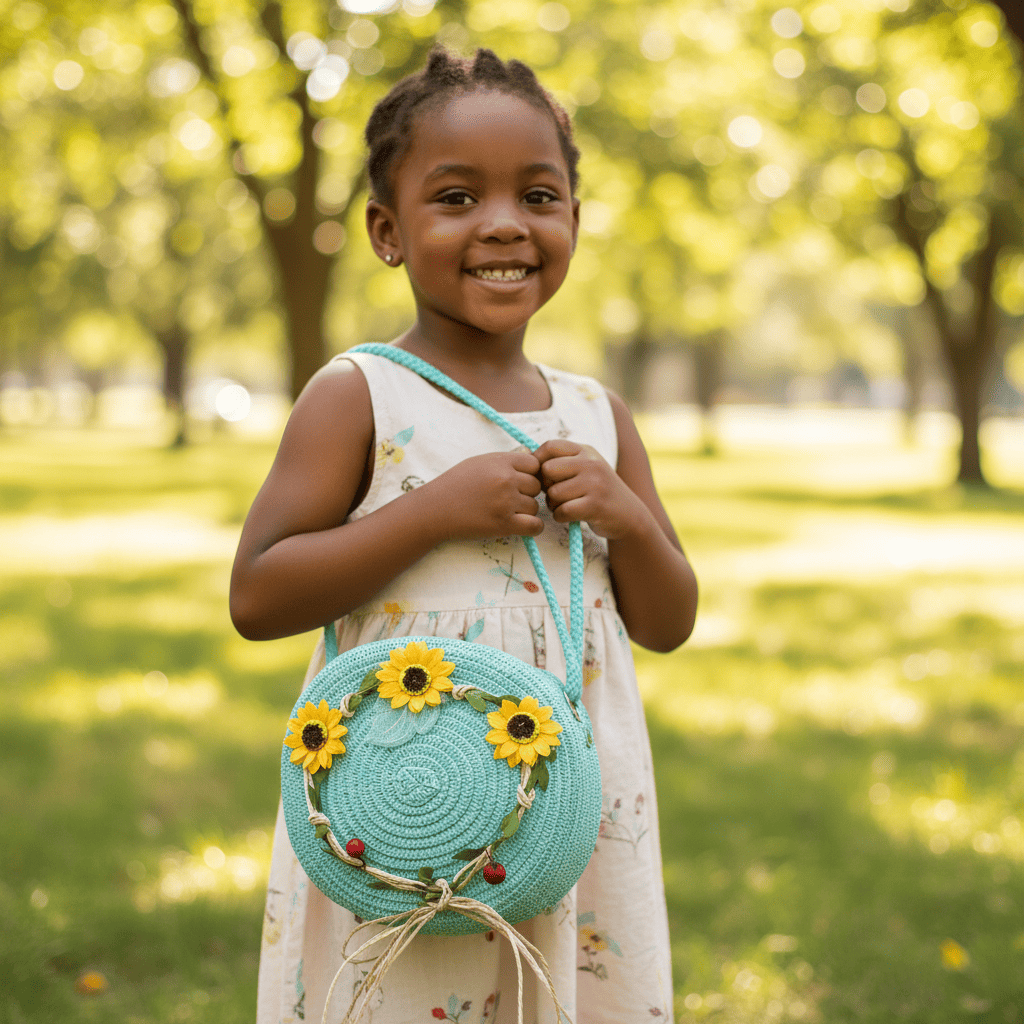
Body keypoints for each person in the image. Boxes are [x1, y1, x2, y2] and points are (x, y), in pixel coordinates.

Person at [231, 45, 698, 1024]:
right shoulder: (359, 394)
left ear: (573, 217)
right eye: (455, 197)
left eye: (539, 194)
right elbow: (259, 594)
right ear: (387, 231)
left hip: (568, 806)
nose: (503, 224)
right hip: (404, 795)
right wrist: (429, 510)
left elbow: (666, 619)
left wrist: (625, 517)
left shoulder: (596, 414)